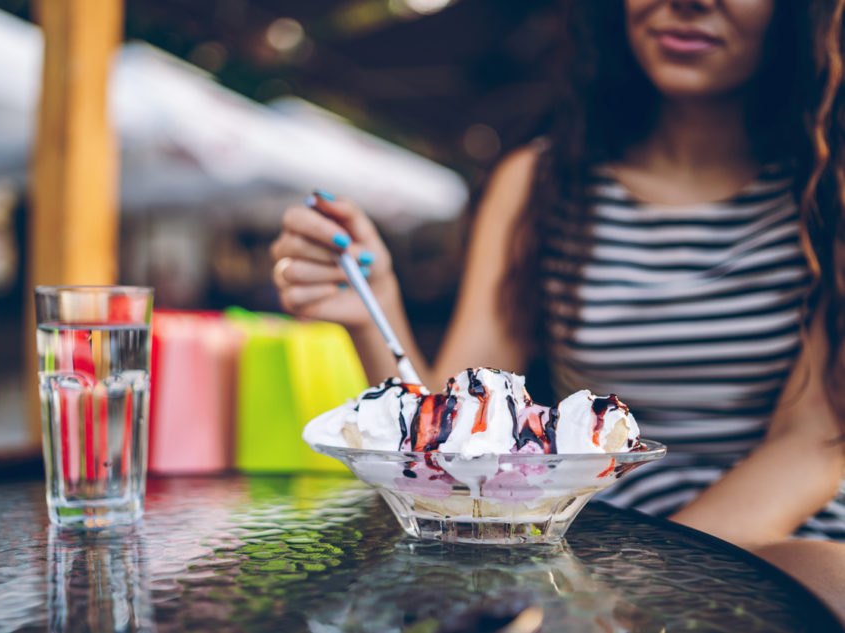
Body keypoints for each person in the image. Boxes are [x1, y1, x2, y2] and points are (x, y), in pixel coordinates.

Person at [270, 0, 845, 620]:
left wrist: (651, 575)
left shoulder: (829, 186)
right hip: (596, 532)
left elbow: (812, 441)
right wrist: (370, 304)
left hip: (766, 529)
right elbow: (462, 432)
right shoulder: (540, 183)